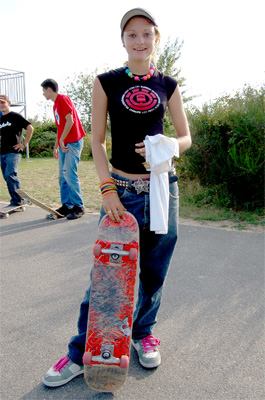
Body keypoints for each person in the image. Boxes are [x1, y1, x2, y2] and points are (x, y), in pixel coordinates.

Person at [43, 8, 192, 387]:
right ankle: (80, 352)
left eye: (147, 34)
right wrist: (107, 188)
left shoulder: (168, 85)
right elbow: (96, 141)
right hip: (121, 191)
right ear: (123, 40)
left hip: (162, 189)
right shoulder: (105, 81)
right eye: (132, 34)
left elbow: (185, 137)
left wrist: (168, 146)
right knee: (107, 277)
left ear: (156, 39)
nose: (140, 40)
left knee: (154, 272)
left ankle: (143, 335)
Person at [41, 79, 86, 220]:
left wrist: (61, 140)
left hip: (73, 142)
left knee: (69, 173)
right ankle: (68, 206)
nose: (43, 94)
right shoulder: (55, 106)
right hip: (64, 144)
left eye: (43, 91)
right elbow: (60, 128)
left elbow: (70, 121)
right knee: (62, 175)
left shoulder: (62, 99)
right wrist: (56, 146)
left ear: (49, 89)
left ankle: (79, 206)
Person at [0, 95, 34, 206]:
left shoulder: (15, 116)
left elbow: (30, 127)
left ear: (8, 103)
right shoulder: (0, 120)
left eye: (3, 102)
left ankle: (18, 200)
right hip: (2, 152)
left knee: (10, 174)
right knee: (7, 176)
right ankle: (16, 199)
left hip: (13, 152)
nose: (1, 105)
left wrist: (24, 144)